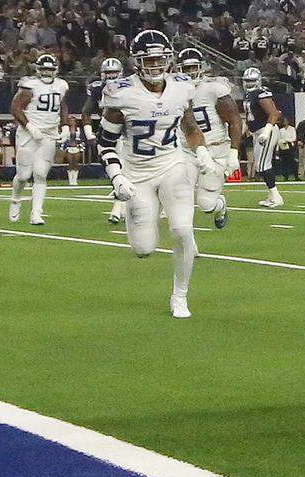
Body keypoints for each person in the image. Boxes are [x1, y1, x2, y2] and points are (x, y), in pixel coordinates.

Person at [97, 30, 218, 319]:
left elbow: (190, 128)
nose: (154, 65)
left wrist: (201, 151)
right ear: (137, 61)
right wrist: (117, 176)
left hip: (172, 165)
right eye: (148, 60)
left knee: (182, 229)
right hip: (136, 173)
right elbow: (105, 141)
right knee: (143, 248)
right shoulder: (120, 92)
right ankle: (132, 212)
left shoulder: (181, 86)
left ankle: (180, 296)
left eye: (160, 59)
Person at [178, 48, 242, 229]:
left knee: (206, 204)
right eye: (186, 69)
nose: (190, 73)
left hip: (216, 148)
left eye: (193, 68)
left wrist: (233, 153)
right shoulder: (175, 91)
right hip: (187, 150)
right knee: (181, 193)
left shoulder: (214, 89)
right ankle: (186, 241)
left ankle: (219, 205)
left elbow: (235, 120)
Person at [8, 53, 68, 225]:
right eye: (44, 69)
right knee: (23, 174)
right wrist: (29, 126)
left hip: (48, 133)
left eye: (50, 70)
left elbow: (62, 106)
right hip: (28, 133)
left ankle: (36, 213)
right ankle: (15, 199)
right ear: (37, 69)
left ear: (55, 70)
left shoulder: (61, 85)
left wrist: (64, 126)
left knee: (40, 174)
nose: (47, 73)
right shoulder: (29, 85)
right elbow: (15, 108)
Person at [82, 57, 127, 224]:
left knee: (122, 169)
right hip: (107, 134)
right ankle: (121, 204)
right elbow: (86, 112)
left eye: (114, 73)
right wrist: (89, 133)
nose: (111, 76)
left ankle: (118, 208)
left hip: (128, 133)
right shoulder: (96, 89)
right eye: (107, 73)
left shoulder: (130, 87)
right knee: (113, 168)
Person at [241, 66, 283, 207]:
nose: (249, 84)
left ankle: (276, 197)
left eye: (252, 81)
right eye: (247, 81)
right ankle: (272, 196)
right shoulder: (248, 95)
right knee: (261, 166)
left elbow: (274, 113)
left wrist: (266, 131)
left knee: (263, 165)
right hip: (257, 131)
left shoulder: (261, 93)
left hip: (266, 130)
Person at [61, 116, 84, 185]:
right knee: (70, 164)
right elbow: (64, 138)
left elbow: (81, 139)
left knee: (76, 164)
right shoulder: (66, 129)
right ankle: (70, 181)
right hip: (69, 148)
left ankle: (75, 180)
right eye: (71, 120)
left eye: (73, 120)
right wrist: (63, 147)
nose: (72, 122)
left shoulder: (79, 130)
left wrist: (81, 146)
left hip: (77, 148)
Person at [277, 116, 296, 181]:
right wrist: (282, 142)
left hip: (290, 146)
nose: (285, 122)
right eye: (284, 121)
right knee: (284, 163)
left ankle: (296, 176)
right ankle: (285, 176)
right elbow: (279, 139)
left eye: (286, 121)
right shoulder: (280, 130)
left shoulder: (292, 129)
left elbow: (294, 138)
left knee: (292, 162)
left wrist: (286, 140)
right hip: (283, 147)